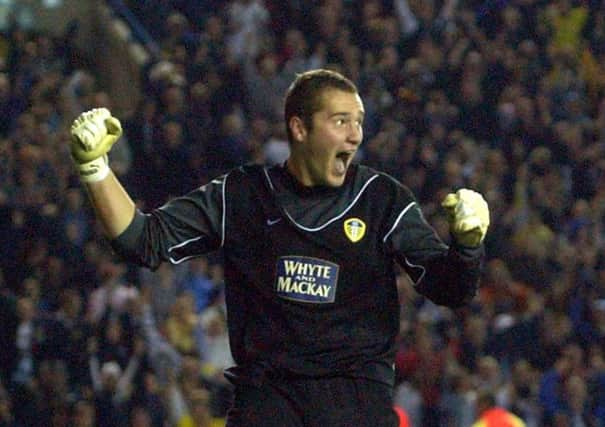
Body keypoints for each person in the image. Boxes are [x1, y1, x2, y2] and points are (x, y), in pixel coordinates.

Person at [69, 69, 489, 426]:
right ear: (299, 128)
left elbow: (450, 289)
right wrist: (94, 169)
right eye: (341, 121)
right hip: (268, 403)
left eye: (359, 122)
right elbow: (142, 241)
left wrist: (467, 246)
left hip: (356, 403)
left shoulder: (382, 199)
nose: (355, 135)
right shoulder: (243, 195)